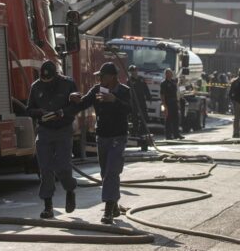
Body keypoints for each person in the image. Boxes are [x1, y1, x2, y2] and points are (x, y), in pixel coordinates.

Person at [70, 62, 132, 224]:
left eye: (102, 76)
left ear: (112, 77)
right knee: (106, 173)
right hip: (102, 137)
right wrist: (72, 99)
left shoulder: (124, 92)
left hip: (118, 137)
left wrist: (114, 100)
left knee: (112, 171)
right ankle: (114, 204)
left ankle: (108, 211)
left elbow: (131, 110)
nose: (100, 78)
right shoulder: (97, 90)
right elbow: (84, 103)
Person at [26, 60, 78, 219]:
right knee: (45, 168)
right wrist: (39, 112)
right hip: (45, 130)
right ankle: (48, 206)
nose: (46, 83)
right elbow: (28, 109)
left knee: (63, 166)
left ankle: (70, 190)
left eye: (49, 80)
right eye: (43, 79)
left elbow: (76, 106)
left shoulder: (68, 84)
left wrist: (63, 112)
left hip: (63, 129)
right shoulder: (36, 86)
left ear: (56, 76)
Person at [127, 65, 152, 152]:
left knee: (144, 116)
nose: (133, 72)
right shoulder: (129, 81)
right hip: (134, 101)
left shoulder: (141, 79)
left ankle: (143, 131)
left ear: (137, 71)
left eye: (134, 70)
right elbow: (127, 92)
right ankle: (134, 132)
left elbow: (145, 88)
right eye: (132, 71)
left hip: (141, 101)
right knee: (134, 118)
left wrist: (149, 97)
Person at [160, 68, 183, 140]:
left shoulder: (174, 82)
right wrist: (164, 105)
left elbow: (177, 93)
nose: (170, 74)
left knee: (176, 119)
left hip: (174, 103)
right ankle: (168, 136)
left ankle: (176, 134)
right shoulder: (163, 83)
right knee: (168, 120)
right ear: (166, 74)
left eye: (171, 73)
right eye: (168, 73)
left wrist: (178, 102)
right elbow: (162, 95)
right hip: (167, 103)